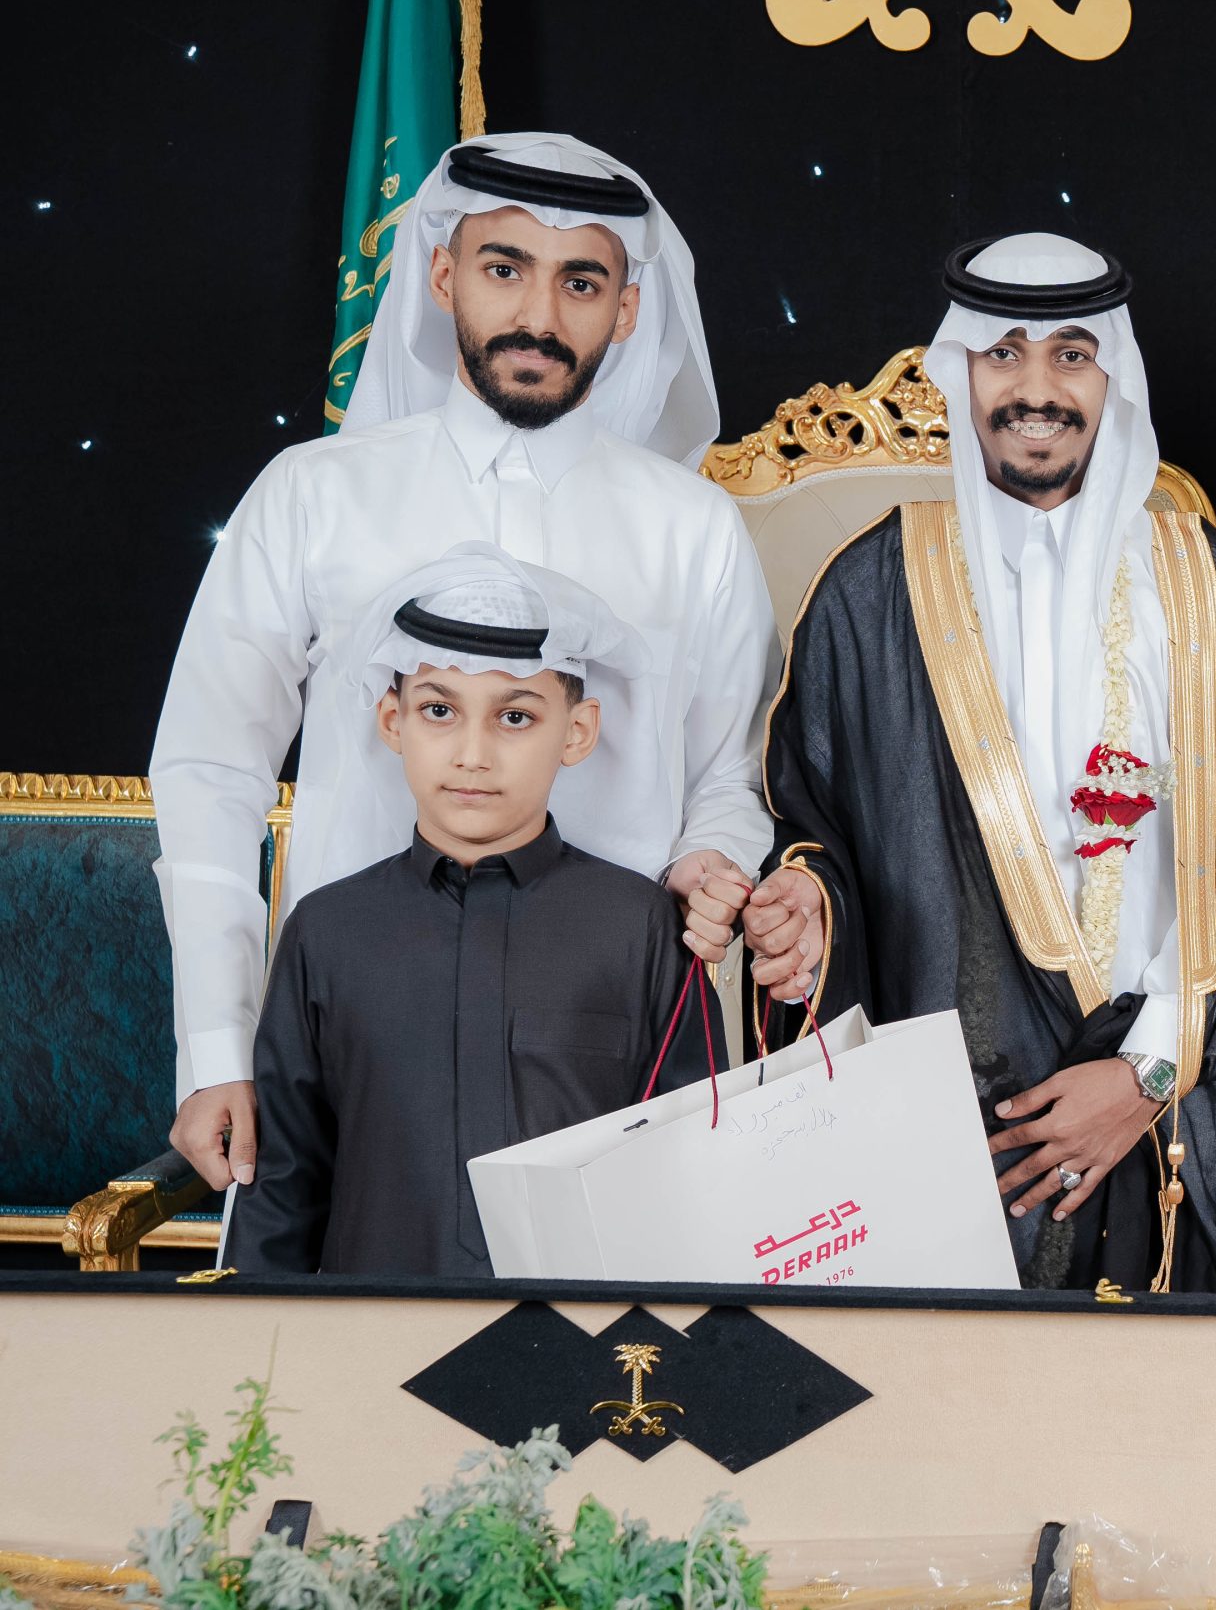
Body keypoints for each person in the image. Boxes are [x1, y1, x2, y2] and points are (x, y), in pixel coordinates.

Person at [151, 133, 773, 1195]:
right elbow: (212, 768)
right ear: (442, 276)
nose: (539, 314)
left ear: (628, 309)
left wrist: (708, 859)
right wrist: (218, 1047)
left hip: (607, 1042)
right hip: (348, 1032)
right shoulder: (312, 493)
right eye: (504, 268)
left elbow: (734, 771)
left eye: (581, 282)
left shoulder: (694, 529)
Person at [747, 234, 1216, 1295]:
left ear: (1113, 377)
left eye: (1071, 355)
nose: (1036, 390)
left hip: (1169, 1117)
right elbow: (817, 833)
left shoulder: (1206, 589)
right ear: (960, 373)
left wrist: (1146, 1074)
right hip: (950, 1132)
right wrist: (803, 901)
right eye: (1004, 355)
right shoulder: (869, 594)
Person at [229, 546, 714, 1276]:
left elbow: (693, 1167)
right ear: (392, 721)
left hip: (585, 1334)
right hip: (366, 1330)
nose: (473, 754)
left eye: (515, 716)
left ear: (578, 731)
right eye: (439, 711)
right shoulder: (326, 933)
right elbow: (283, 1187)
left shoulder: (640, 926)